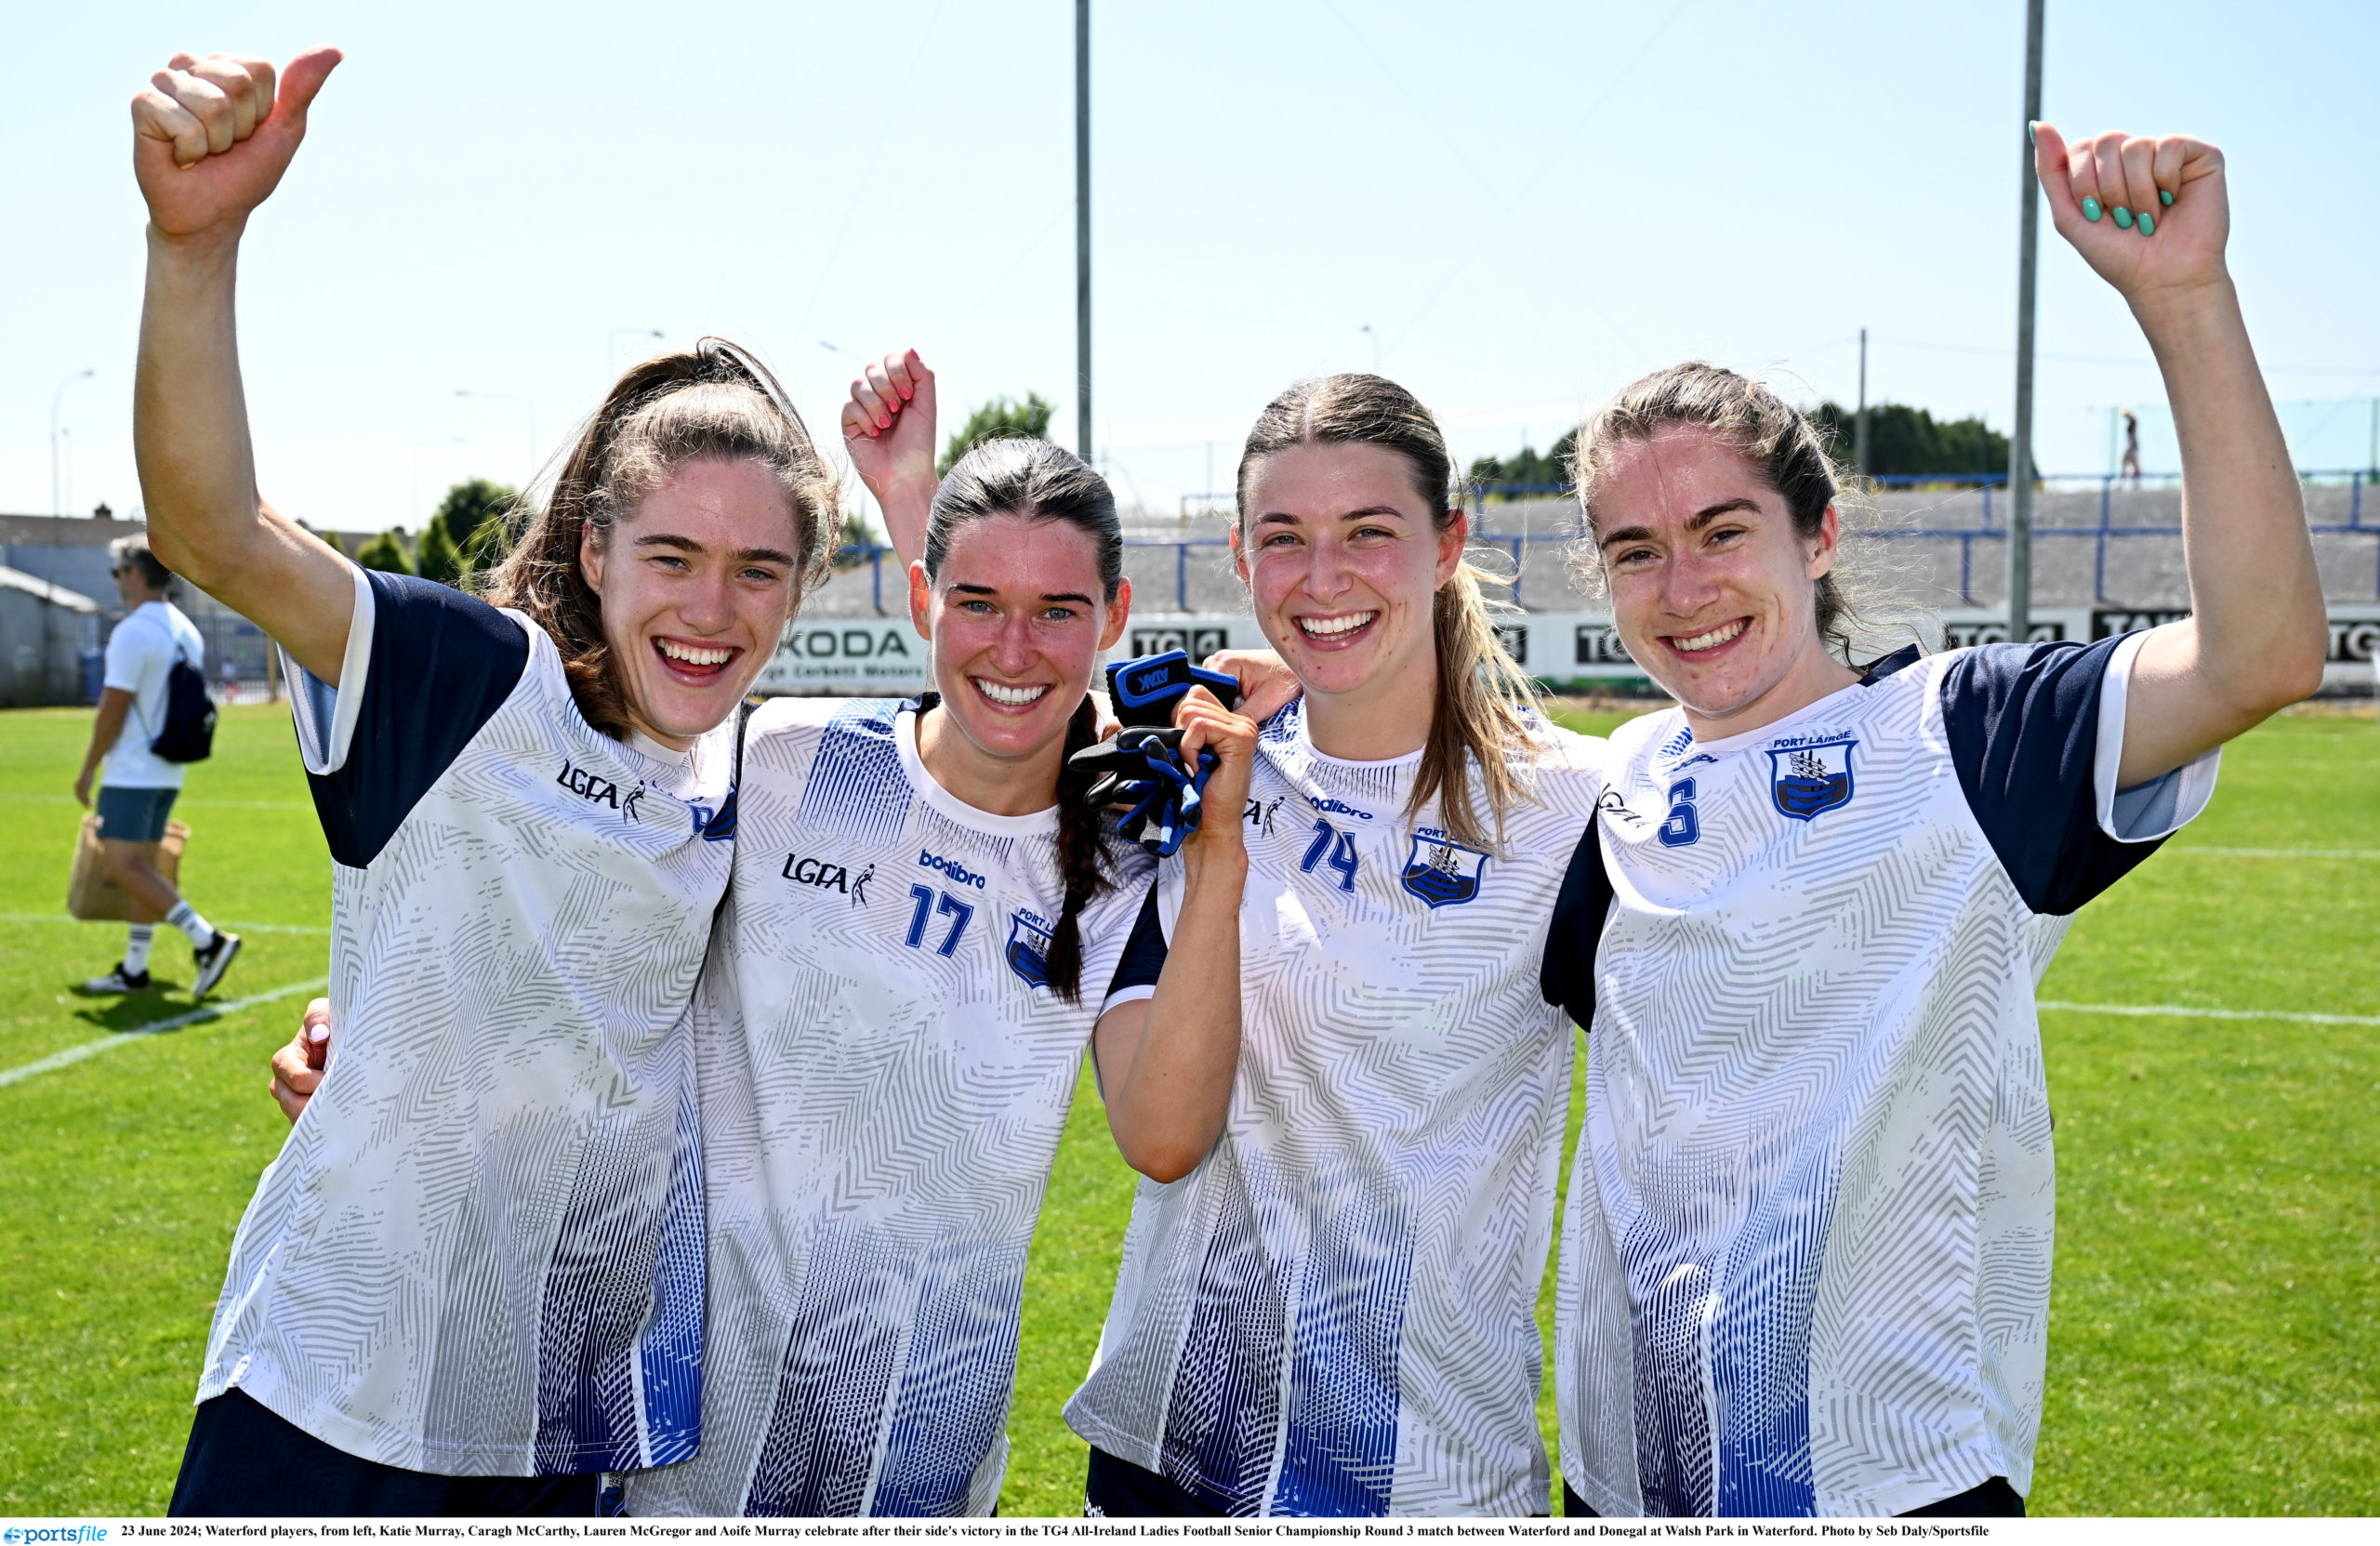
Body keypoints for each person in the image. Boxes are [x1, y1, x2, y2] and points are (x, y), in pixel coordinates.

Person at [277, 354, 1259, 1518]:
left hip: (919, 1474)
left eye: (1061, 612)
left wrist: (1218, 853)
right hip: (663, 1469)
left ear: (1114, 619)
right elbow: (589, 932)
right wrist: (396, 1037)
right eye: (978, 603)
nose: (1016, 643)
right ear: (921, 599)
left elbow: (1162, 1132)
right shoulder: (779, 758)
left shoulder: (1123, 858)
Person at [1541, 124, 2325, 1517]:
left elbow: (2259, 652)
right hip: (1626, 1477)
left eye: (1725, 530)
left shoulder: (1970, 736)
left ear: (1818, 531)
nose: (1684, 586)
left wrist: (2184, 304)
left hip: (1889, 1482)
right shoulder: (1620, 777)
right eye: (1635, 550)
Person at [131, 47, 840, 1514]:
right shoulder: (474, 684)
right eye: (672, 557)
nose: (712, 608)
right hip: (329, 1398)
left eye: (757, 568)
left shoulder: (745, 777)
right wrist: (194, 247)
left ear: (801, 590)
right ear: (594, 553)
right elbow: (215, 532)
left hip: (552, 1431)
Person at [1062, 374, 1606, 1517]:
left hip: (1429, 1473)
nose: (1323, 578)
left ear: (1448, 541)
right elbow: (1002, 683)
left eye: (1369, 532)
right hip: (1174, 1450)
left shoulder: (1570, 808)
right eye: (1284, 538)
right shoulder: (1199, 765)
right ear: (1240, 554)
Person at [75, 532, 240, 998]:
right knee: (143, 868)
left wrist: (88, 768)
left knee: (123, 866)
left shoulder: (133, 630)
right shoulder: (182, 626)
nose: (116, 582)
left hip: (133, 769)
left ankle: (207, 941)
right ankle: (134, 968)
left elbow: (114, 707)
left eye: (117, 573)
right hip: (169, 766)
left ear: (132, 574)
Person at [2121, 407, 2143, 482]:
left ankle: (2133, 482)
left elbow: (2133, 435)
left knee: (2126, 462)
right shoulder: (2132, 421)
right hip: (2132, 445)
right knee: (2133, 464)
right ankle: (2135, 483)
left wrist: (2130, 446)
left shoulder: (2133, 422)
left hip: (2132, 446)